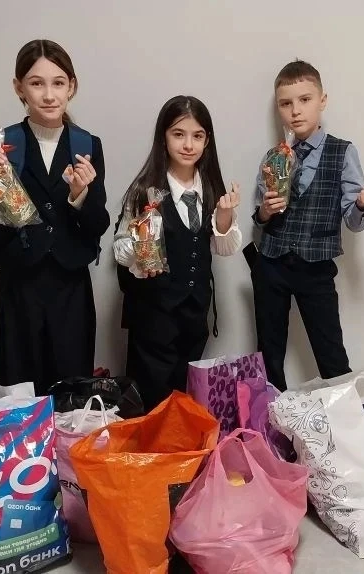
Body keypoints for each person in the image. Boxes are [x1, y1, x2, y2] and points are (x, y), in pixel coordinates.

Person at [249, 60, 364, 473]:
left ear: (322, 101)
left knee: (332, 359)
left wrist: (363, 205)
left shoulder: (342, 152)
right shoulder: (275, 156)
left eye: (304, 100)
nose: (295, 110)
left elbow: (353, 219)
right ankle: (277, 445)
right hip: (271, 264)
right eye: (286, 103)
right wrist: (266, 211)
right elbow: (259, 217)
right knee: (269, 356)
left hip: (316, 269)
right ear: (278, 108)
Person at [0, 39, 109, 396]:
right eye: (36, 83)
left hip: (70, 283)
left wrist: (80, 196)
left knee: (70, 387)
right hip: (19, 280)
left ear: (71, 86)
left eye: (58, 83)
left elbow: (98, 225)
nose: (48, 94)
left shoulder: (87, 145)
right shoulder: (4, 144)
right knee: (19, 387)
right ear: (19, 88)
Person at [114, 96, 242, 411]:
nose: (188, 144)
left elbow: (224, 248)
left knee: (185, 395)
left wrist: (224, 220)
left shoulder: (211, 189)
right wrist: (140, 244)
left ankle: (181, 442)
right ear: (164, 137)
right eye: (178, 134)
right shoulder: (143, 191)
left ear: (207, 141)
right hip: (153, 313)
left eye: (197, 136)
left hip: (195, 312)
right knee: (151, 396)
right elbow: (119, 249)